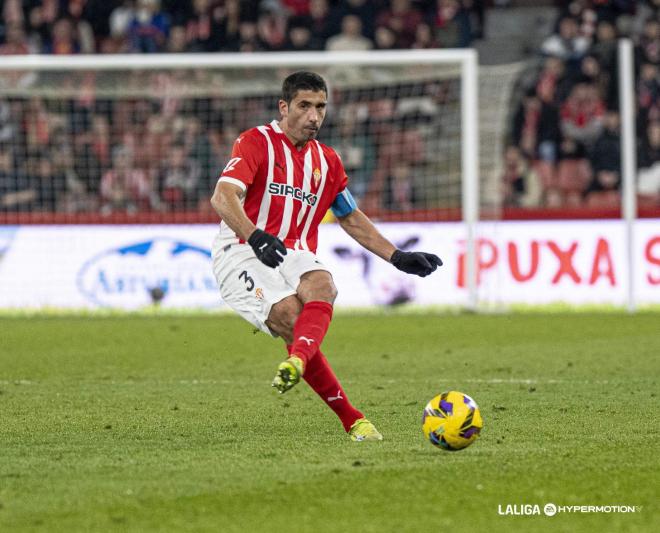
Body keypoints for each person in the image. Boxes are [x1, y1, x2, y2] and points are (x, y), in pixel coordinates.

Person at [210, 71, 442, 442]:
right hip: (241, 251)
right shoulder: (256, 142)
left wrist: (397, 257)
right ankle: (353, 419)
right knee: (289, 315)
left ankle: (298, 360)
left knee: (324, 285)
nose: (314, 116)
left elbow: (349, 216)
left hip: (294, 250)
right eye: (304, 106)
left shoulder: (328, 162)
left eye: (320, 107)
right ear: (284, 107)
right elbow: (222, 197)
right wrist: (254, 236)